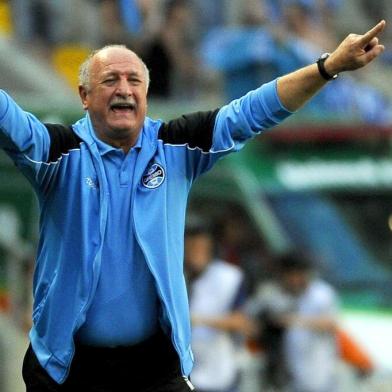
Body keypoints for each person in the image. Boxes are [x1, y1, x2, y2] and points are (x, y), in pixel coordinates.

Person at [0, 18, 385, 391]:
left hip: (154, 370)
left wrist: (328, 66)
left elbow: (252, 112)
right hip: (69, 371)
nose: (124, 89)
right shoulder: (57, 153)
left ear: (146, 96)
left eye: (134, 80)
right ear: (84, 96)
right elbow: (8, 120)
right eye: (110, 80)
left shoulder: (175, 146)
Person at [245, 252, 339, 391]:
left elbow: (330, 324)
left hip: (319, 377)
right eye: (289, 276)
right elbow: (248, 320)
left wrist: (290, 320)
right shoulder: (275, 295)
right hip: (290, 378)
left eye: (297, 275)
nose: (293, 280)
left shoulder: (321, 293)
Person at [184, 220, 250, 392]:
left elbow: (240, 322)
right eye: (190, 248)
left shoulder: (228, 277)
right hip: (182, 373)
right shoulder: (175, 276)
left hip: (217, 373)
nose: (195, 253)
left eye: (200, 248)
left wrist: (195, 320)